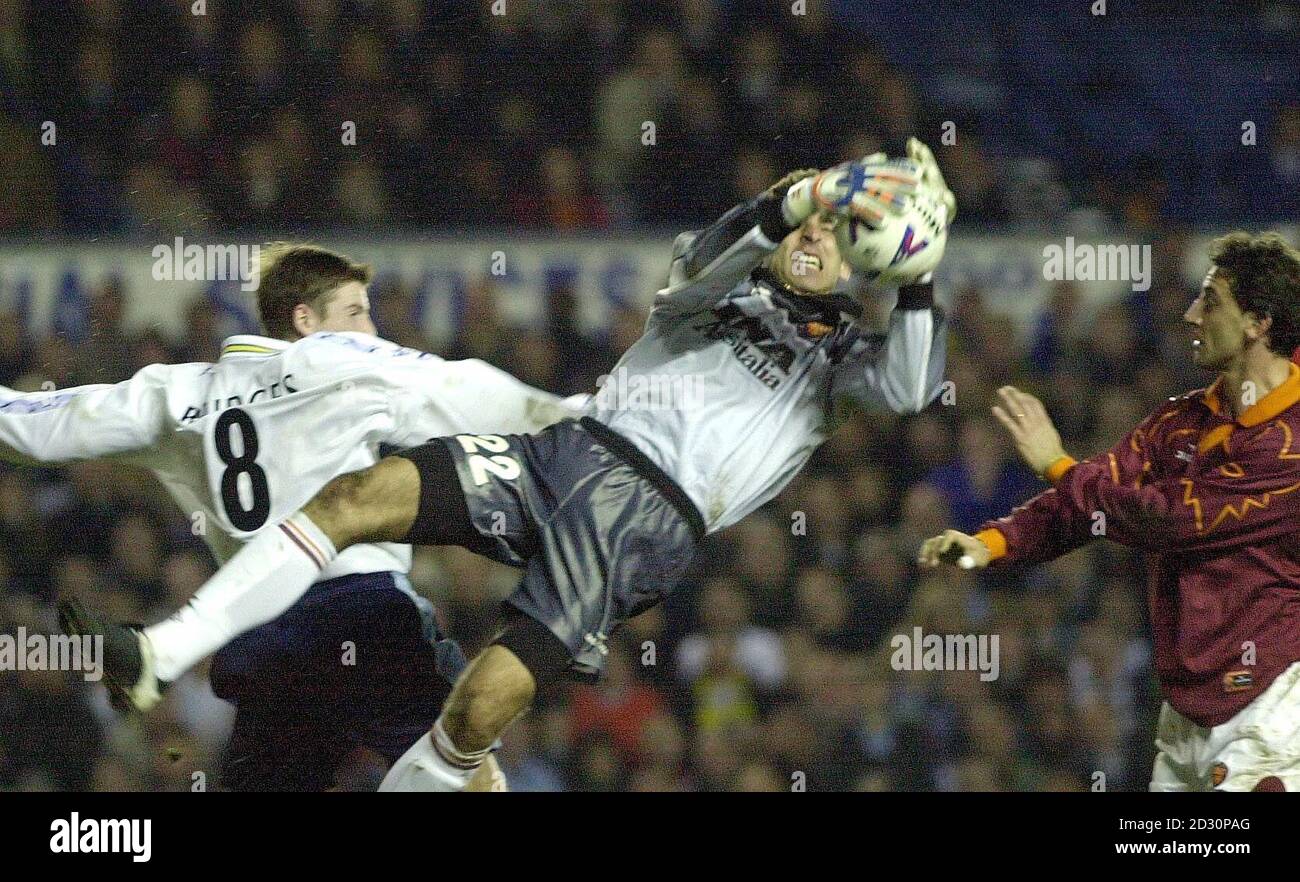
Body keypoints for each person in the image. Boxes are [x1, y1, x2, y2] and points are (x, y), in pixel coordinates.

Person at [69, 142, 954, 792]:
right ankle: (162, 649)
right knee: (359, 494)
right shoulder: (718, 287)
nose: (820, 233)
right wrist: (800, 193)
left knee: (473, 713)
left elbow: (913, 390)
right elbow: (706, 260)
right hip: (566, 455)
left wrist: (919, 281)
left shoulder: (840, 365)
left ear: (861, 264)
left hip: (642, 521)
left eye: (842, 232)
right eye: (817, 220)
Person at [3, 243, 580, 790]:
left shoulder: (171, 393)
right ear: (305, 320)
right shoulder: (343, 363)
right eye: (356, 311)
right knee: (464, 756)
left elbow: (32, 425)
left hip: (261, 638)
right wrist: (586, 422)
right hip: (364, 614)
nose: (371, 329)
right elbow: (470, 389)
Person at [919, 232, 1300, 792]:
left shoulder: (1291, 443)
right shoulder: (1180, 421)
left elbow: (1170, 519)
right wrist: (992, 544)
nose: (1192, 314)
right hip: (1186, 712)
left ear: (1258, 322)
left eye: (1211, 300)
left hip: (1270, 702)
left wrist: (1057, 464)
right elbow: (1090, 499)